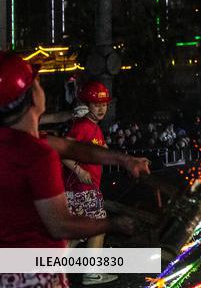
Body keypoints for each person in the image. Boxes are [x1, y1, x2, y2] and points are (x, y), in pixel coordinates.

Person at [0, 52, 150, 288]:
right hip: (30, 277)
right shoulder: (37, 156)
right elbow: (59, 225)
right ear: (30, 98)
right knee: (85, 226)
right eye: (37, 83)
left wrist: (125, 160)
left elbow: (70, 146)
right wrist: (113, 224)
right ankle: (92, 270)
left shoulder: (16, 141)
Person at [61, 81, 114, 285]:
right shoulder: (83, 126)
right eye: (96, 104)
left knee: (77, 233)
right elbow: (63, 151)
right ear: (87, 105)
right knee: (97, 226)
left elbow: (97, 150)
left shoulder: (94, 129)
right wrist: (79, 170)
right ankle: (92, 273)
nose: (101, 109)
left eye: (104, 105)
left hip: (84, 189)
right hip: (82, 189)